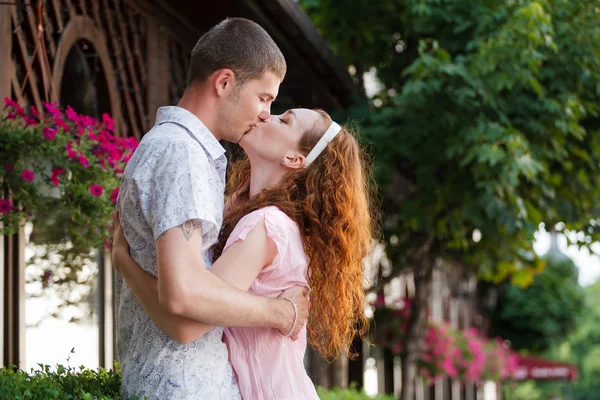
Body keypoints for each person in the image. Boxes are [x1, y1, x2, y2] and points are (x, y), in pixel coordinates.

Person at [109, 107, 375, 399]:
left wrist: (123, 261)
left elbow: (189, 324)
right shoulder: (250, 211)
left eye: (284, 120)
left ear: (293, 159)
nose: (265, 116)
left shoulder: (266, 225)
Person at [113, 18, 309, 400]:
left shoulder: (179, 149)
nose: (267, 114)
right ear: (224, 83)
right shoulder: (182, 154)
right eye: (264, 98)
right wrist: (280, 313)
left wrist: (123, 260)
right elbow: (184, 300)